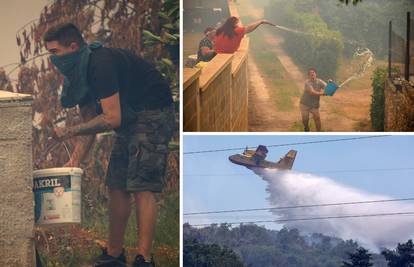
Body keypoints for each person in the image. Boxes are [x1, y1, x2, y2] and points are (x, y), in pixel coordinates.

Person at [43, 23, 175, 267]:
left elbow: (111, 118)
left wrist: (68, 131)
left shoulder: (99, 64)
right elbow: (91, 121)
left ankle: (144, 258)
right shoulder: (78, 75)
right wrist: (75, 160)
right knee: (116, 185)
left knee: (141, 185)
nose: (53, 60)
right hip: (128, 119)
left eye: (54, 52)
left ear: (73, 46)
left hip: (152, 113)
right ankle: (114, 254)